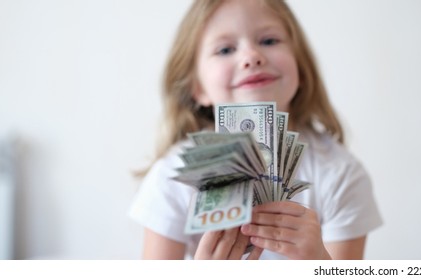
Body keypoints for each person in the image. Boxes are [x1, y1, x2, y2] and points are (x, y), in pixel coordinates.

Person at [128, 0, 382, 260]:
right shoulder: (172, 177)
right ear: (197, 88)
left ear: (301, 68)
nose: (251, 56)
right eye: (225, 49)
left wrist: (319, 261)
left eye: (269, 41)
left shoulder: (341, 174)